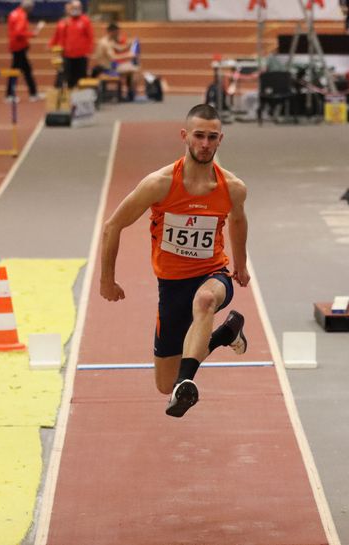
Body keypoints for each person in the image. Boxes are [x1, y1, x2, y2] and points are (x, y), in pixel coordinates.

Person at [99, 104, 250, 418]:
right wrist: (106, 280)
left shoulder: (232, 188)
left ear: (221, 139)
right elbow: (113, 225)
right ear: (185, 136)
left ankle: (187, 382)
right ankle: (225, 334)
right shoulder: (160, 183)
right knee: (164, 385)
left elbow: (238, 221)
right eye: (199, 136)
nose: (205, 144)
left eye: (212, 137)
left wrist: (241, 265)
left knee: (206, 300)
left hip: (212, 275)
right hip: (171, 286)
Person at [49, 0, 94, 90]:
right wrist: (52, 46)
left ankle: (81, 99)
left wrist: (89, 51)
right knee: (69, 78)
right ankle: (70, 98)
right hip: (68, 56)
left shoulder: (85, 21)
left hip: (81, 56)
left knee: (81, 77)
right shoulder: (65, 22)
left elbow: (91, 37)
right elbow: (58, 36)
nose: (75, 10)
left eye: (77, 8)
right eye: (73, 8)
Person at [92, 22, 140, 101]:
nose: (118, 34)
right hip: (106, 69)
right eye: (117, 33)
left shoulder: (110, 40)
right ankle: (130, 94)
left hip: (110, 66)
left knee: (131, 68)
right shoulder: (105, 43)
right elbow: (113, 57)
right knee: (133, 69)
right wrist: (129, 55)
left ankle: (130, 94)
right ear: (112, 32)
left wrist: (129, 45)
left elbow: (119, 48)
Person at [6, 0, 42, 102]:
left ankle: (33, 93)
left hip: (15, 46)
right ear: (28, 8)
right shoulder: (21, 16)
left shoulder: (14, 13)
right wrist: (32, 34)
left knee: (26, 70)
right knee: (16, 71)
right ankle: (10, 95)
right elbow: (19, 32)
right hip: (19, 47)